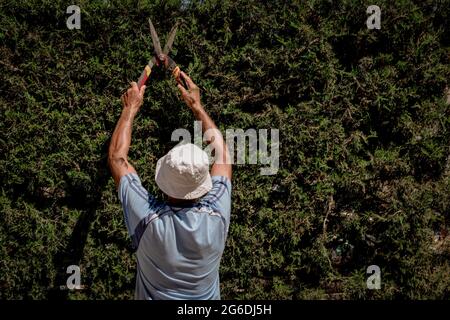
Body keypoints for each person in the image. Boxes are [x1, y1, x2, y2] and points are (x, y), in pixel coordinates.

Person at [108, 71, 232, 300]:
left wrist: (130, 109)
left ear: (163, 181)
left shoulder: (147, 219)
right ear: (202, 184)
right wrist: (198, 107)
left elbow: (118, 159)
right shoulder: (217, 214)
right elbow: (223, 156)